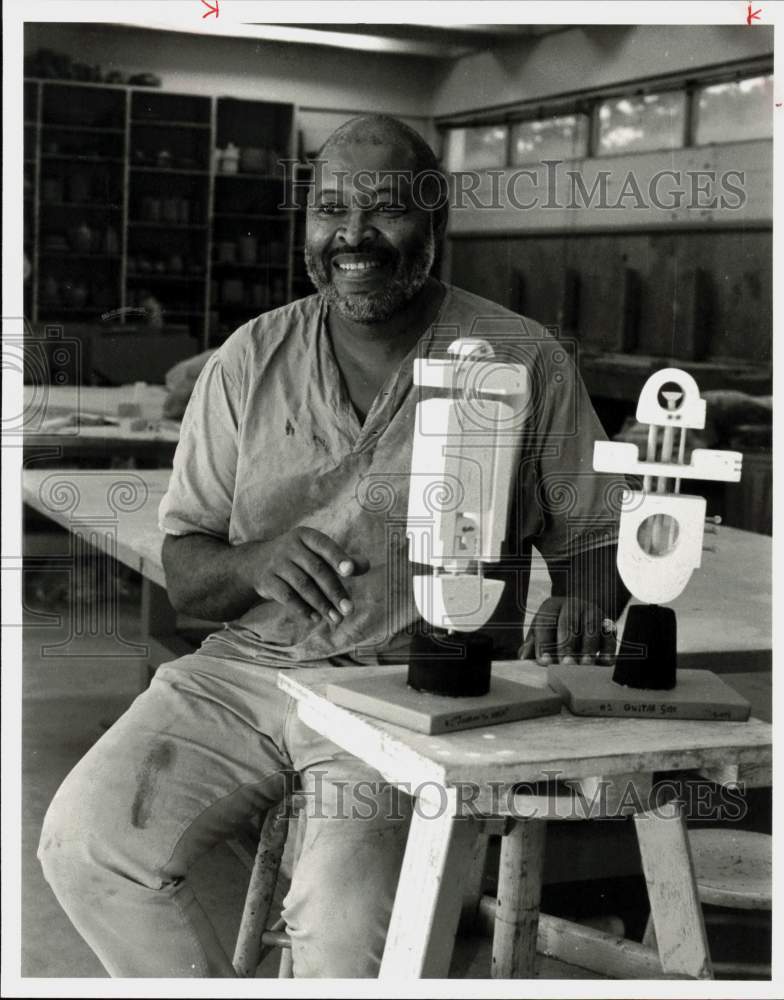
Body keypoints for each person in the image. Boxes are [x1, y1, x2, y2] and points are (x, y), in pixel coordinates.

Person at [38, 114, 628, 978]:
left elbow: (593, 543)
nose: (352, 236)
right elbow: (189, 577)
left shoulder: (520, 359)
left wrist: (581, 603)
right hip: (244, 674)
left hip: (414, 686)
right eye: (329, 209)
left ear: (436, 224)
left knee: (342, 934)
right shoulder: (248, 359)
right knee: (85, 845)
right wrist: (251, 561)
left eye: (385, 209)